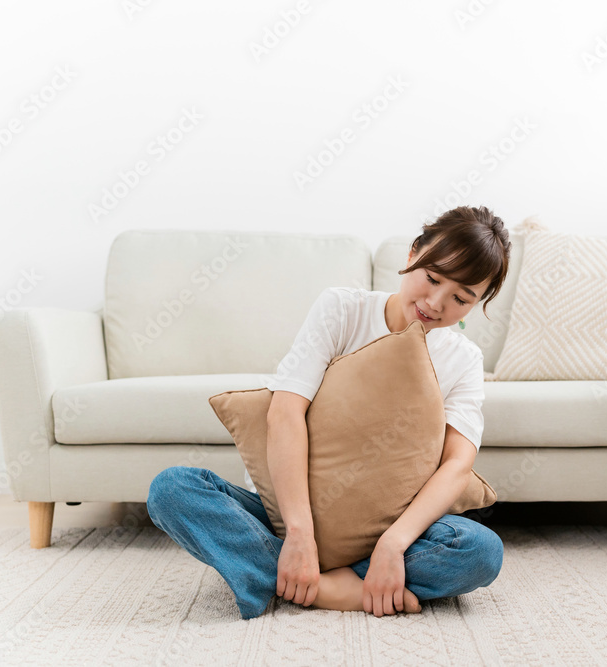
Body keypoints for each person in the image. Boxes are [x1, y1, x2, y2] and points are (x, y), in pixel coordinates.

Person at [147, 205, 512, 619]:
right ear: (413, 253)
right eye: (432, 277)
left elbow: (458, 466)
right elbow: (285, 412)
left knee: (481, 551)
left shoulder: (463, 359)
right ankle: (335, 585)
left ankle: (287, 577)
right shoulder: (342, 309)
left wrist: (393, 544)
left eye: (461, 298)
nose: (435, 302)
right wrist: (299, 533)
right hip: (284, 515)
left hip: (387, 526)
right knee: (171, 489)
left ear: (478, 303)